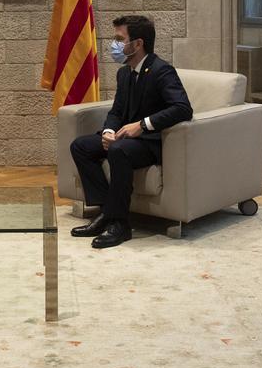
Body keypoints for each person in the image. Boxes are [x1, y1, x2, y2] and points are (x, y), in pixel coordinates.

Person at [69, 15, 193, 248]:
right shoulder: (124, 73)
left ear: (138, 44)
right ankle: (106, 212)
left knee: (118, 150)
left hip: (152, 142)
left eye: (119, 39)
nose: (114, 45)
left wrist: (143, 124)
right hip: (124, 139)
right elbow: (117, 110)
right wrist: (108, 130)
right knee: (81, 146)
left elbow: (183, 108)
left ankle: (120, 225)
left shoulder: (161, 70)